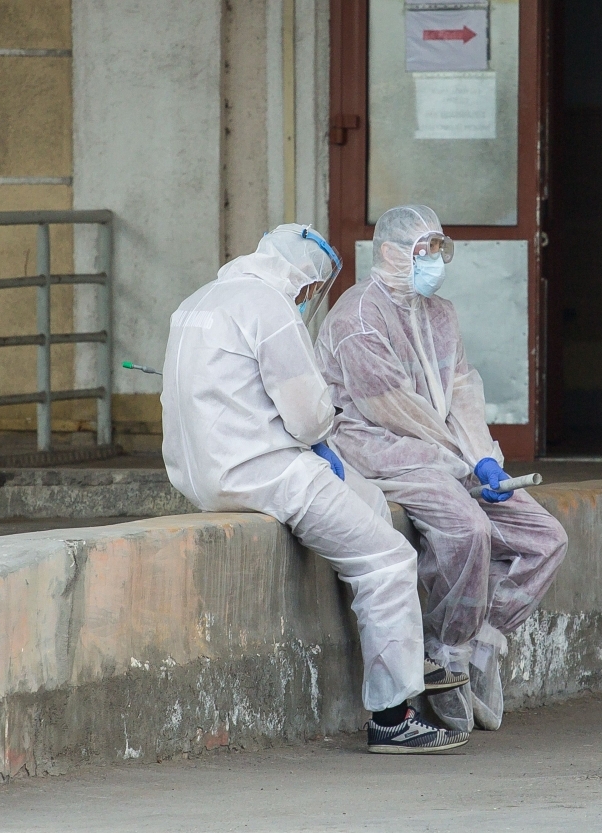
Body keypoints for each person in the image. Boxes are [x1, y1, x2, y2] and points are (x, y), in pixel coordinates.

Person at [162, 223, 471, 753]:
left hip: (202, 474)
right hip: (267, 474)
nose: (308, 301)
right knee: (390, 560)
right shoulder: (270, 308)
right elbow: (307, 419)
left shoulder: (199, 301)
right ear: (305, 282)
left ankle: (400, 642)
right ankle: (393, 719)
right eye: (311, 292)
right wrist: (324, 430)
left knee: (371, 499)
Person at [315, 205, 568, 733]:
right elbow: (391, 408)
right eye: (422, 249)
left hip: (447, 450)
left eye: (437, 249)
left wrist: (483, 457)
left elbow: (460, 390)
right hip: (385, 449)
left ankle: (481, 645)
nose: (433, 260)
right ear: (390, 252)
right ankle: (446, 654)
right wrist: (460, 459)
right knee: (467, 529)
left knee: (546, 538)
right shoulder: (357, 317)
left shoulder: (440, 314)